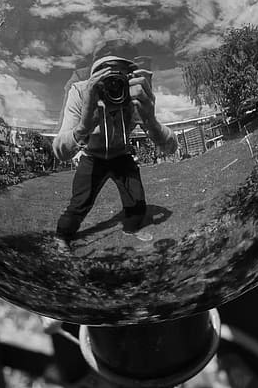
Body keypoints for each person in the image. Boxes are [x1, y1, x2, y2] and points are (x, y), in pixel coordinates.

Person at [52, 40, 178, 242]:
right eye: (105, 78)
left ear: (130, 77)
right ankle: (62, 237)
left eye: (120, 76)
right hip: (92, 157)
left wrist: (150, 119)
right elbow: (60, 152)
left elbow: (170, 147)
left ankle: (132, 228)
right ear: (93, 79)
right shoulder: (80, 92)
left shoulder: (133, 95)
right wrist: (84, 125)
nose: (113, 84)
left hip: (121, 154)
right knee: (79, 203)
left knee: (137, 200)